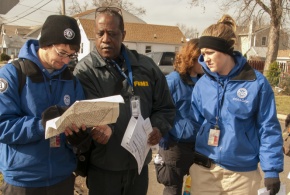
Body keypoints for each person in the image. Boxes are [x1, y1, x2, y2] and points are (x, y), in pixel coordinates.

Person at [73, 6, 176, 195]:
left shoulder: (146, 66)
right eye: (100, 33)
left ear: (123, 34)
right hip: (103, 167)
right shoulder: (84, 71)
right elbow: (82, 114)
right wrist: (98, 127)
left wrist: (158, 128)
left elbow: (165, 107)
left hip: (137, 166)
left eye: (112, 33)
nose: (105, 39)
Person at [189, 14, 283, 195]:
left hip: (242, 175)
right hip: (204, 170)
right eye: (202, 54)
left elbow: (268, 128)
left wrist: (271, 170)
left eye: (210, 53)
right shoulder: (202, 84)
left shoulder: (256, 83)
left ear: (226, 50)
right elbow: (194, 123)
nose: (205, 59)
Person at [0, 15, 85, 195]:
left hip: (61, 178)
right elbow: (2, 126)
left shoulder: (72, 82)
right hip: (23, 180)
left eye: (71, 55)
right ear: (45, 44)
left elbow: (79, 122)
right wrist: (41, 125)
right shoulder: (12, 74)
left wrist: (78, 138)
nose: (66, 61)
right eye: (61, 53)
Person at [155, 39, 203, 195]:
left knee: (195, 188)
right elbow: (159, 109)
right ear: (192, 58)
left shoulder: (204, 81)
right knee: (173, 189)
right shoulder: (173, 81)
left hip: (197, 146)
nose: (206, 62)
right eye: (201, 58)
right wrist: (166, 137)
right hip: (174, 147)